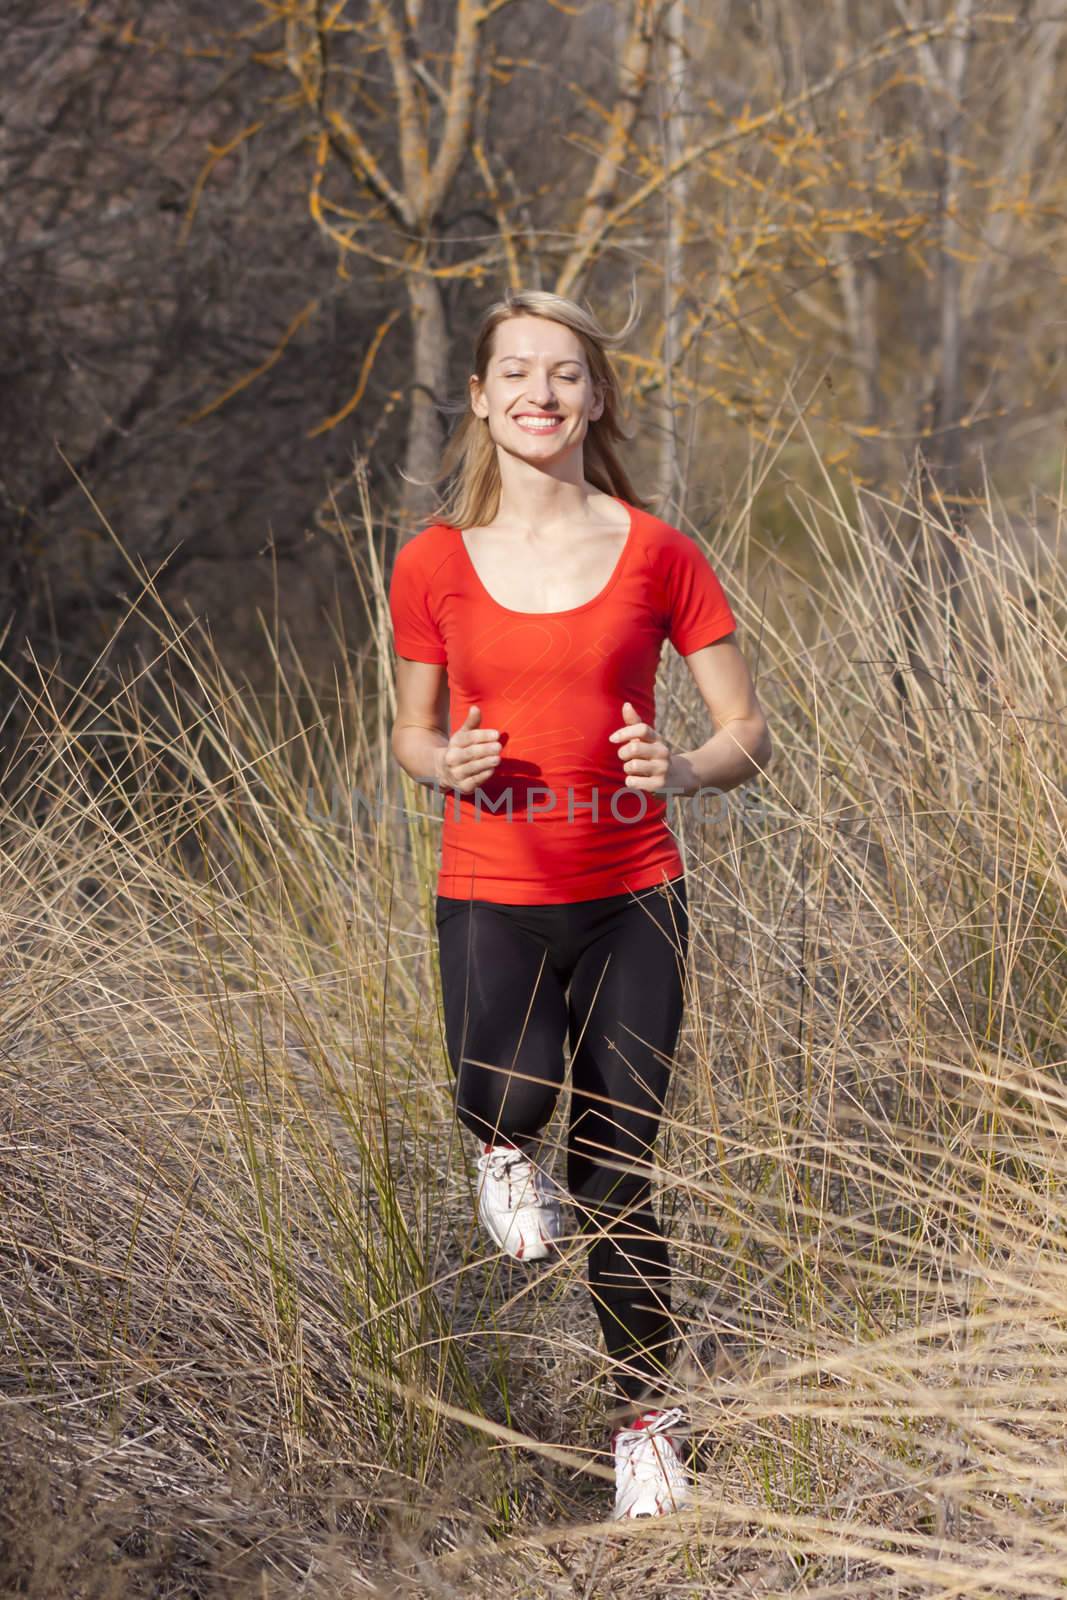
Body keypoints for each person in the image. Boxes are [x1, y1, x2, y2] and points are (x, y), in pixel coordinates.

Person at [387, 288, 772, 1519]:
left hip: (631, 896)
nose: (539, 395)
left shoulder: (656, 548)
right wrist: (438, 761)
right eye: (516, 373)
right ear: (482, 397)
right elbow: (407, 730)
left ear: (592, 397)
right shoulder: (432, 559)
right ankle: (501, 1149)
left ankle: (645, 1424)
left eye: (563, 375)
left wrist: (692, 766)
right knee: (499, 1092)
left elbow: (744, 729)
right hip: (492, 889)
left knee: (618, 1166)